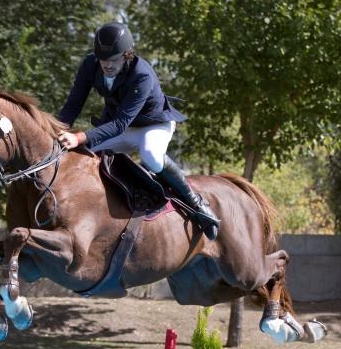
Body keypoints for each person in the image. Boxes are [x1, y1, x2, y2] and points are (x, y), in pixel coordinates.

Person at [57, 22, 219, 239]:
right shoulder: (90, 64)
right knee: (82, 155)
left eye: (113, 59)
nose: (107, 65)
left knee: (151, 155)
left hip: (154, 126)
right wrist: (57, 132)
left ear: (127, 54)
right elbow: (73, 104)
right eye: (103, 59)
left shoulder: (141, 75)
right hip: (121, 128)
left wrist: (78, 137)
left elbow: (120, 122)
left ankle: (196, 204)